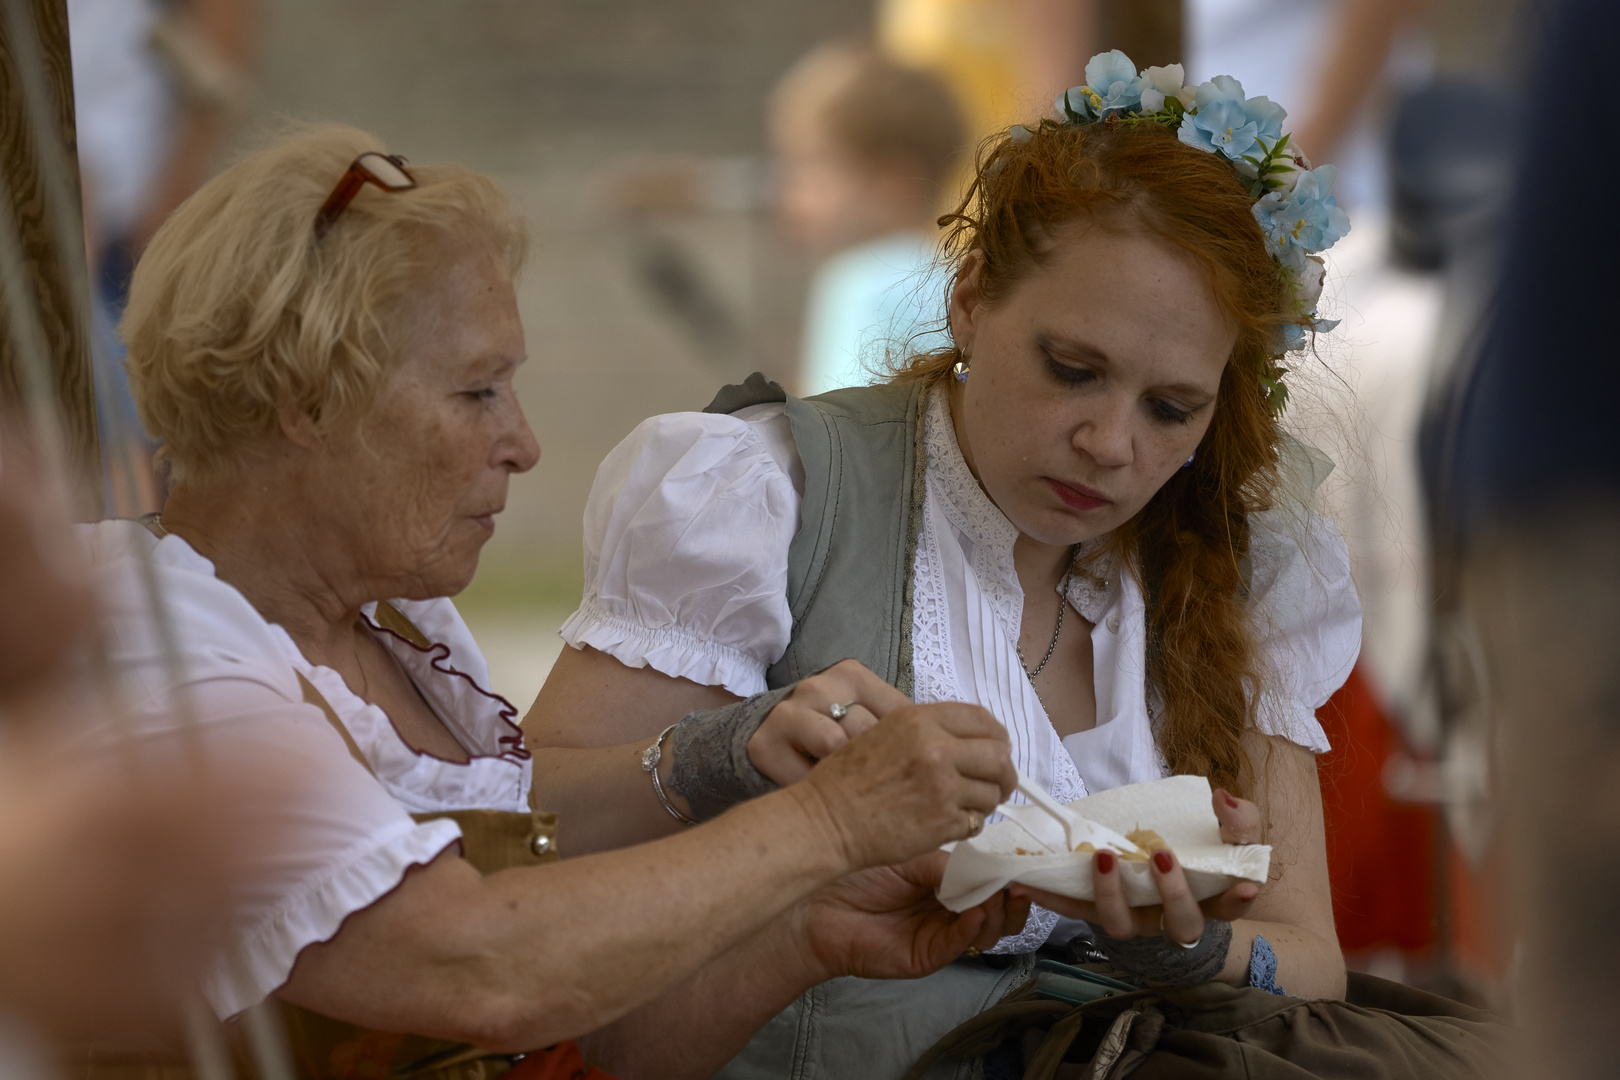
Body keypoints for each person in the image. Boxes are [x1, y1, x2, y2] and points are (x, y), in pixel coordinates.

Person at [533, 52, 1505, 1078]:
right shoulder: (767, 496)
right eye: (1071, 370)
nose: (1109, 442)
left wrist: (1187, 948)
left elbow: (1310, 957)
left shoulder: (1238, 562)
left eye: (1172, 407)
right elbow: (528, 821)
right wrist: (720, 751)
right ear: (971, 299)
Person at [71, 124, 1028, 1079]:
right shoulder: (163, 662)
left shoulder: (395, 628)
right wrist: (829, 826)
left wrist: (788, 899)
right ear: (307, 399)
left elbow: (562, 1025)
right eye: (479, 390)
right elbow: (479, 968)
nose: (524, 443)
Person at [770, 42, 963, 395]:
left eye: (811, 165)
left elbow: (842, 433)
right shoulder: (958, 276)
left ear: (892, 180)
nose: (789, 191)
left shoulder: (857, 283)